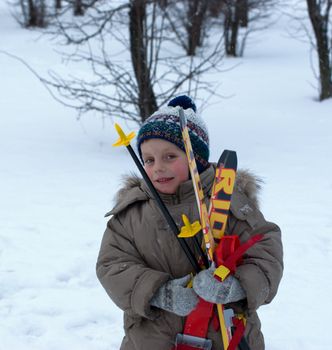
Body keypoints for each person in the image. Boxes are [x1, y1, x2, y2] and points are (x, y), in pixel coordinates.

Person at [96, 95, 283, 350]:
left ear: (198, 158)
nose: (158, 167)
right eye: (148, 160)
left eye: (170, 156)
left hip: (226, 336)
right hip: (153, 339)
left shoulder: (229, 202)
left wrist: (237, 286)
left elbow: (265, 250)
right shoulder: (133, 213)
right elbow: (112, 265)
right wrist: (158, 291)